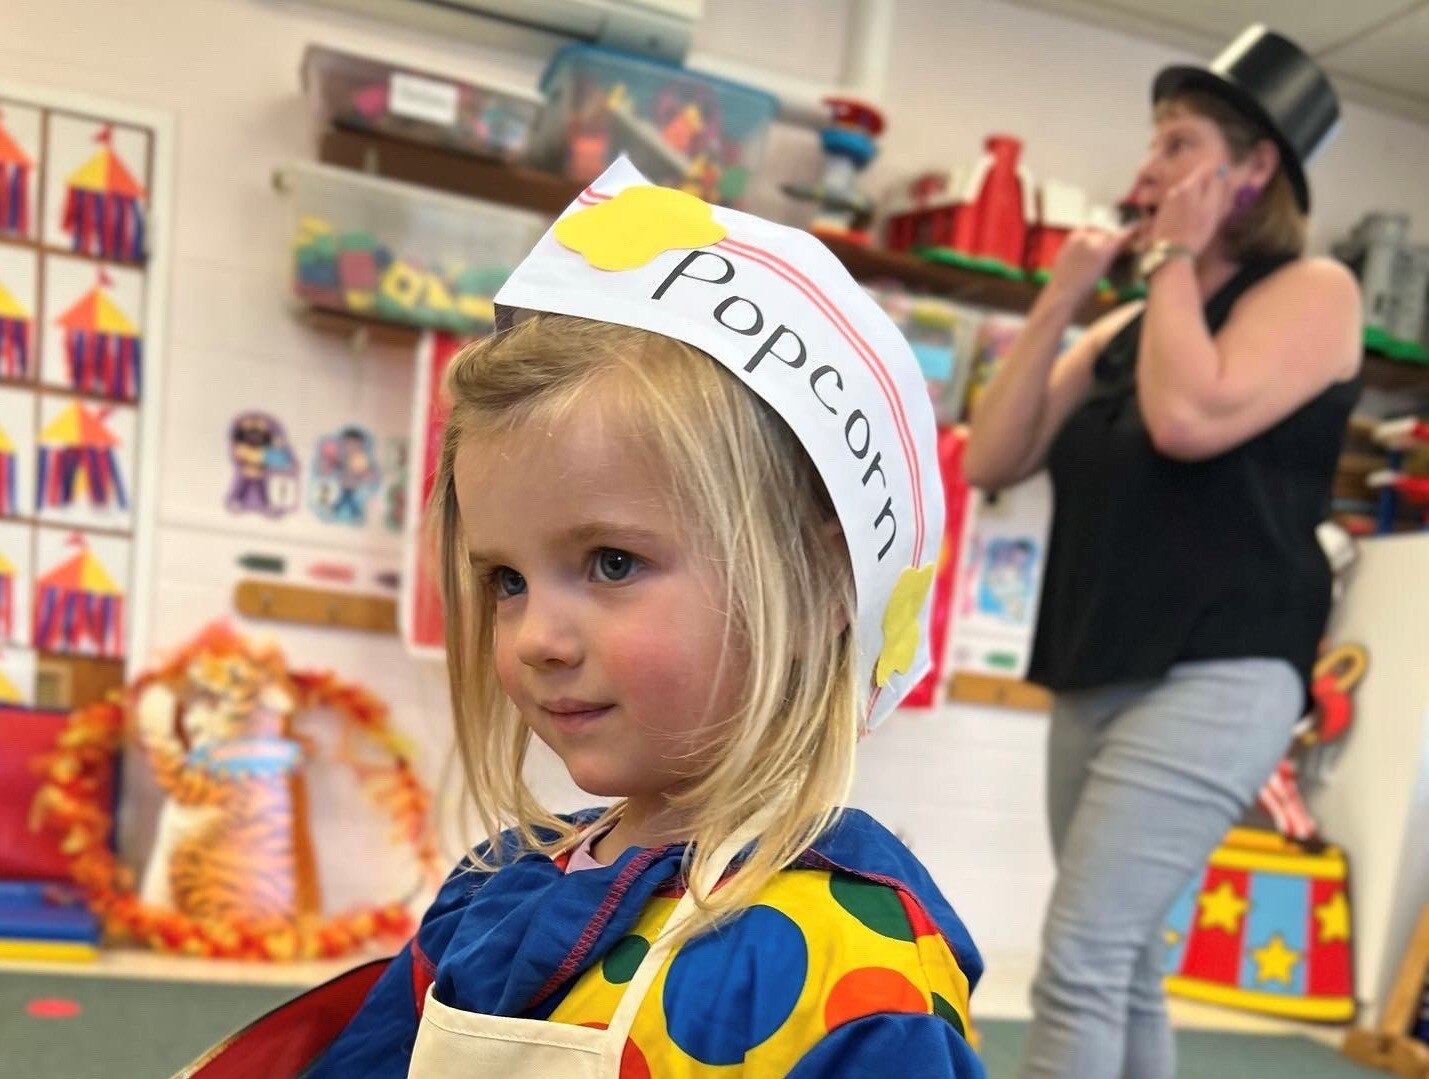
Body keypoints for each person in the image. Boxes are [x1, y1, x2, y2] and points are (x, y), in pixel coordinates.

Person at [305, 162, 986, 1077]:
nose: (536, 638)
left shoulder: (854, 970)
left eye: (611, 563)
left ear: (823, 574)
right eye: (506, 579)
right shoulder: (494, 887)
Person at [963, 26, 1361, 1079]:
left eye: (1177, 144)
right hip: (1099, 659)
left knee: (1080, 958)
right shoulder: (1128, 323)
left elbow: (1191, 418)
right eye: (1152, 145)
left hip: (1223, 669)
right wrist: (1059, 298)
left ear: (1254, 165)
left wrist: (1174, 259)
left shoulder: (1314, 292)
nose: (1146, 170)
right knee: (1125, 956)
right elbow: (992, 455)